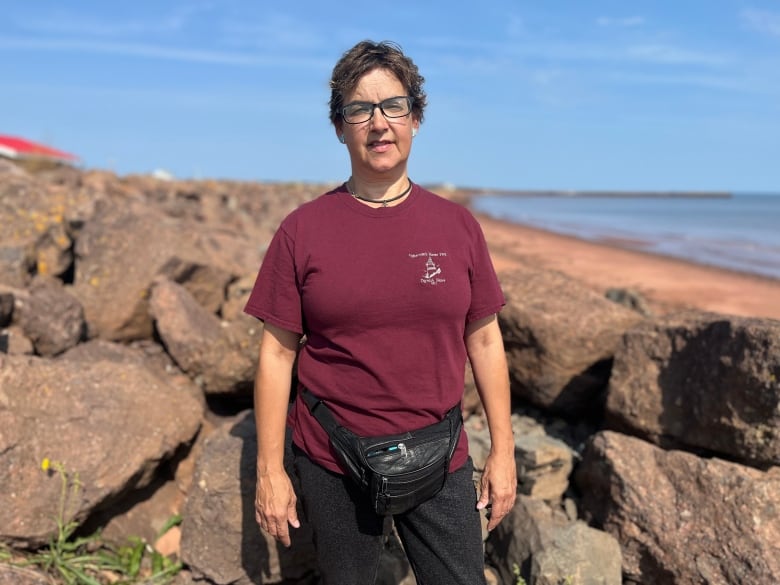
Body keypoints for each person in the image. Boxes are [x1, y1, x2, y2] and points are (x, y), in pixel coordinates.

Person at [244, 39, 516, 585]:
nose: (378, 123)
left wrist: (504, 453)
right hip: (332, 454)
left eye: (393, 106)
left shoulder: (457, 227)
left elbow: (485, 340)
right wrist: (270, 470)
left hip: (440, 451)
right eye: (359, 109)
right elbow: (277, 355)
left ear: (415, 118)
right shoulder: (303, 230)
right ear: (339, 127)